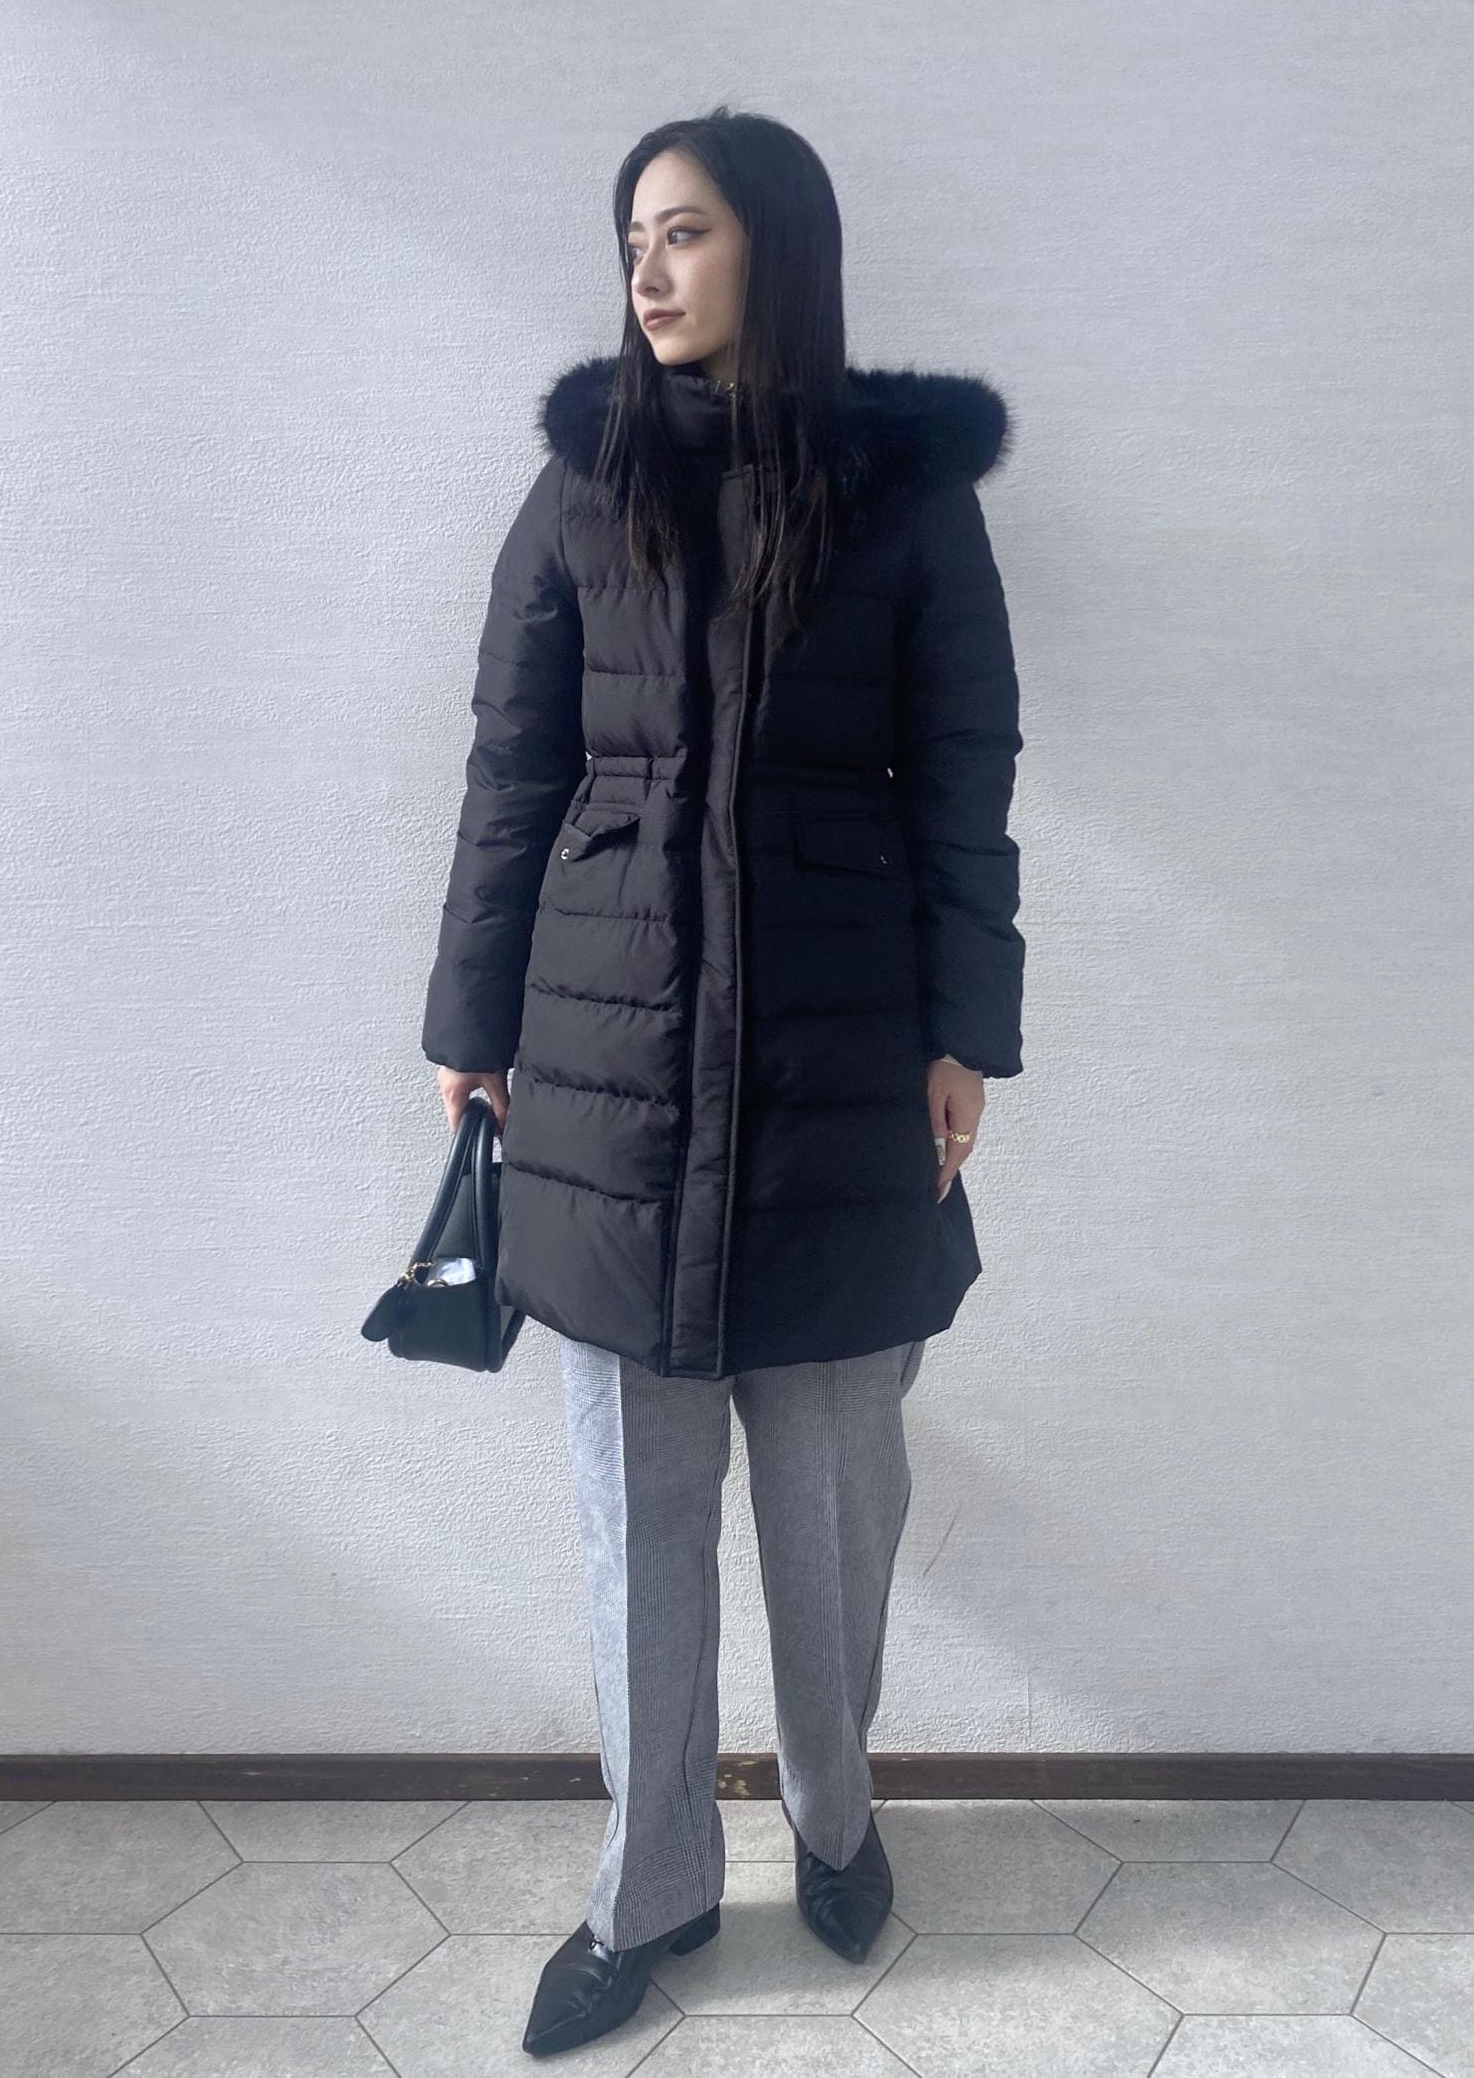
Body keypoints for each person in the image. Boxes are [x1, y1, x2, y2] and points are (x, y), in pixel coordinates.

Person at [420, 106, 1025, 2057]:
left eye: (683, 231)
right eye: (632, 240)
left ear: (778, 242)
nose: (648, 270)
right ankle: (651, 1885)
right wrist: (468, 1022)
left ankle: (840, 1822)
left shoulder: (906, 497)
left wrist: (965, 1029)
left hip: (842, 1065)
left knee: (835, 1506)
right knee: (637, 1521)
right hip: (607, 1066)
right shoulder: (585, 483)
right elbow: (512, 768)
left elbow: (966, 775)